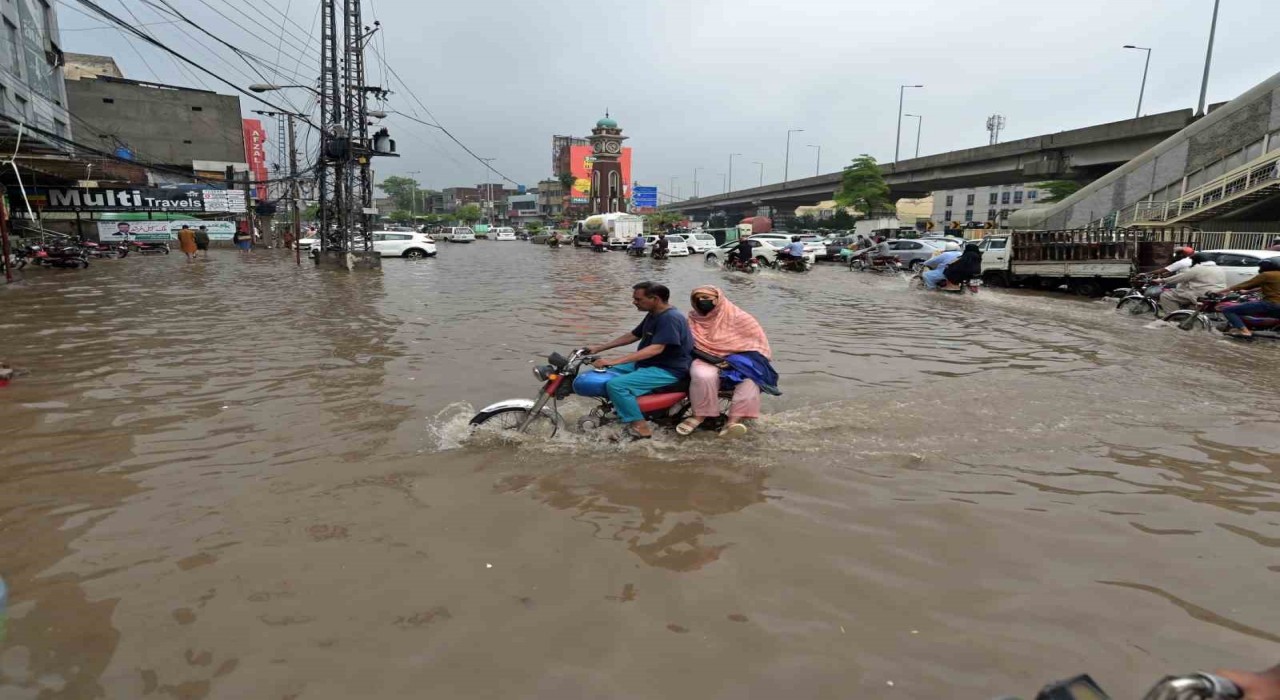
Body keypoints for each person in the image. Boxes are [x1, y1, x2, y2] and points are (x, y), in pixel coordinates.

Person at [585, 282, 693, 440]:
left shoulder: (670, 318)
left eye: (638, 299)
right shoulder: (654, 313)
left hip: (668, 369)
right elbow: (634, 335)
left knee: (616, 385)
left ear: (654, 299)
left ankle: (640, 426)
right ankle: (617, 410)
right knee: (604, 373)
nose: (634, 302)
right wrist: (599, 348)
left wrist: (614, 361)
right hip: (650, 364)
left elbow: (656, 349)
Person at [678, 286, 778, 438]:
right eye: (698, 299)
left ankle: (733, 421)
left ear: (718, 300)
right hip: (706, 357)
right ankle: (700, 415)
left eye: (707, 298)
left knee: (750, 380)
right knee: (702, 375)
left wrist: (735, 361)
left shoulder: (740, 317)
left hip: (740, 359)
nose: (702, 302)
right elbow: (688, 344)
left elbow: (757, 344)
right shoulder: (692, 319)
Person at [1219, 258, 1280, 337]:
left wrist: (1219, 292)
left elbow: (1245, 284)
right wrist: (1247, 292)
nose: (1259, 269)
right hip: (1275, 305)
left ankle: (1244, 331)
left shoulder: (1266, 275)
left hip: (1271, 303)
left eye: (1260, 267)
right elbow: (1265, 287)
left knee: (1228, 310)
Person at [1157, 252, 1225, 314]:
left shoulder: (1198, 268)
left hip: (1201, 294)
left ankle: (1174, 315)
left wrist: (1162, 280)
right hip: (1219, 293)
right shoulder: (1219, 268)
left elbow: (1181, 277)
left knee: (1166, 295)